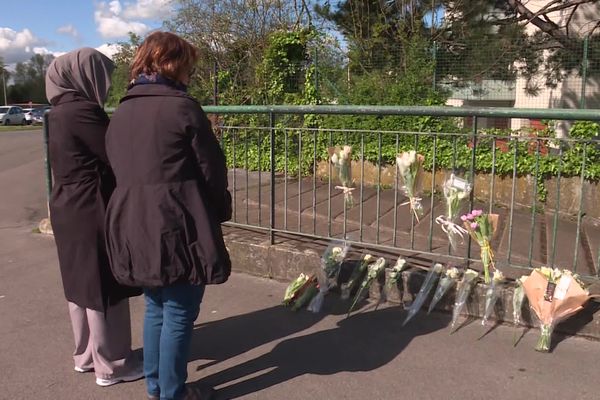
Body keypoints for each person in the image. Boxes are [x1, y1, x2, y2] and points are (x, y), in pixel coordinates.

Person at [105, 32, 232, 400]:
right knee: (178, 310)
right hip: (177, 220)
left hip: (132, 221)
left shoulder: (122, 111)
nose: (191, 73)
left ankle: (157, 386)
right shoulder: (182, 107)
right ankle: (173, 393)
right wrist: (217, 209)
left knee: (156, 306)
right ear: (173, 63)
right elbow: (212, 170)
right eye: (188, 66)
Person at [45, 48, 143, 387]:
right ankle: (113, 365)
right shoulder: (84, 111)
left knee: (79, 285)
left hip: (66, 205)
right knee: (104, 282)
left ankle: (86, 356)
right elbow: (114, 153)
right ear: (85, 76)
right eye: (101, 74)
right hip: (91, 205)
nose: (104, 82)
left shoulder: (57, 111)